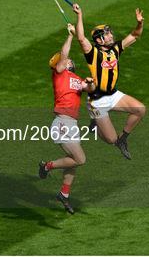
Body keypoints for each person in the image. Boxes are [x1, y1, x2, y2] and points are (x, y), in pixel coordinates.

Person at [73, 3, 146, 160]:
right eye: (107, 34)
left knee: (140, 110)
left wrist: (140, 23)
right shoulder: (93, 53)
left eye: (110, 33)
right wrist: (79, 15)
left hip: (113, 95)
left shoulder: (115, 49)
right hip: (97, 101)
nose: (111, 35)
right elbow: (80, 38)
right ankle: (96, 126)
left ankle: (123, 139)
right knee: (109, 139)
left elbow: (135, 35)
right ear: (99, 40)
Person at [38, 23, 95, 214]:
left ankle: (64, 194)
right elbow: (63, 56)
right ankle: (47, 166)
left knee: (73, 162)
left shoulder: (75, 78)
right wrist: (70, 35)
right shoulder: (59, 74)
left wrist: (90, 82)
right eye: (65, 59)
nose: (69, 59)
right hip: (62, 122)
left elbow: (90, 90)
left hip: (73, 124)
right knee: (80, 159)